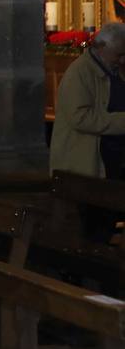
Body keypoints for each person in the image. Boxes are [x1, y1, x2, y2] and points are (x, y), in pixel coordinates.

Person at [50, 22, 125, 243]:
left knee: (106, 223)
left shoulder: (112, 70)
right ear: (100, 47)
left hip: (111, 165)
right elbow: (80, 118)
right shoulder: (79, 73)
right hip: (86, 166)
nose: (121, 60)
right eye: (118, 54)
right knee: (91, 230)